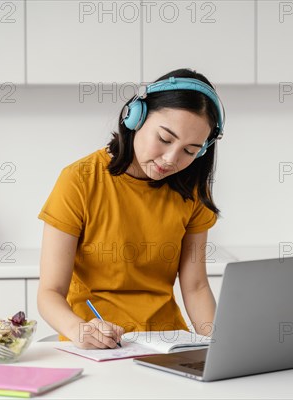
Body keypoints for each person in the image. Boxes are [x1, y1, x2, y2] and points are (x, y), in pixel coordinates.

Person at [37, 68, 225, 350]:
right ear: (135, 117)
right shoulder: (79, 180)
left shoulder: (192, 191)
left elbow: (196, 287)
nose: (171, 159)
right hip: (97, 345)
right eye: (164, 139)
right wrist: (78, 329)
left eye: (190, 151)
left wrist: (220, 346)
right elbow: (49, 293)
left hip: (168, 344)